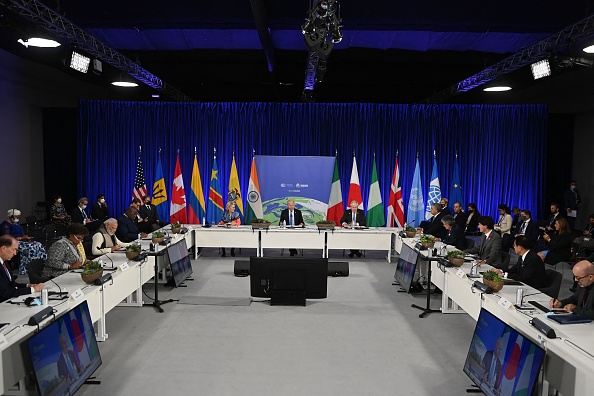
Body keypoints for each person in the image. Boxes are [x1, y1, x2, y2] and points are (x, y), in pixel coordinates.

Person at [1, 209, 47, 274]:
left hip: (22, 240)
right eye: (17, 217)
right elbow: (8, 239)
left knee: (38, 244)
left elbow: (20, 233)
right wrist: (21, 238)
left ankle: (40, 265)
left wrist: (25, 237)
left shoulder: (16, 223)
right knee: (31, 248)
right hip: (13, 243)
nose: (18, 219)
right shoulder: (5, 225)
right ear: (11, 217)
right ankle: (27, 268)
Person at [0, 235, 45, 303]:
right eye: (14, 249)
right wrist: (32, 289)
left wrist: (28, 286)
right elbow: (5, 293)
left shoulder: (5, 262)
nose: (15, 253)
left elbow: (11, 285)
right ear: (3, 248)